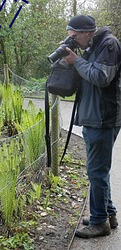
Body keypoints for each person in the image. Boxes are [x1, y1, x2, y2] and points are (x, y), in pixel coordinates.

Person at [63, 15, 121, 238]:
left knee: (96, 171)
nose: (74, 41)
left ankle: (99, 223)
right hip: (93, 117)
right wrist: (73, 60)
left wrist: (76, 61)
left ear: (87, 32)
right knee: (98, 171)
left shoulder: (109, 44)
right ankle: (108, 214)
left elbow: (100, 77)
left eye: (75, 37)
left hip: (103, 118)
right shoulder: (92, 46)